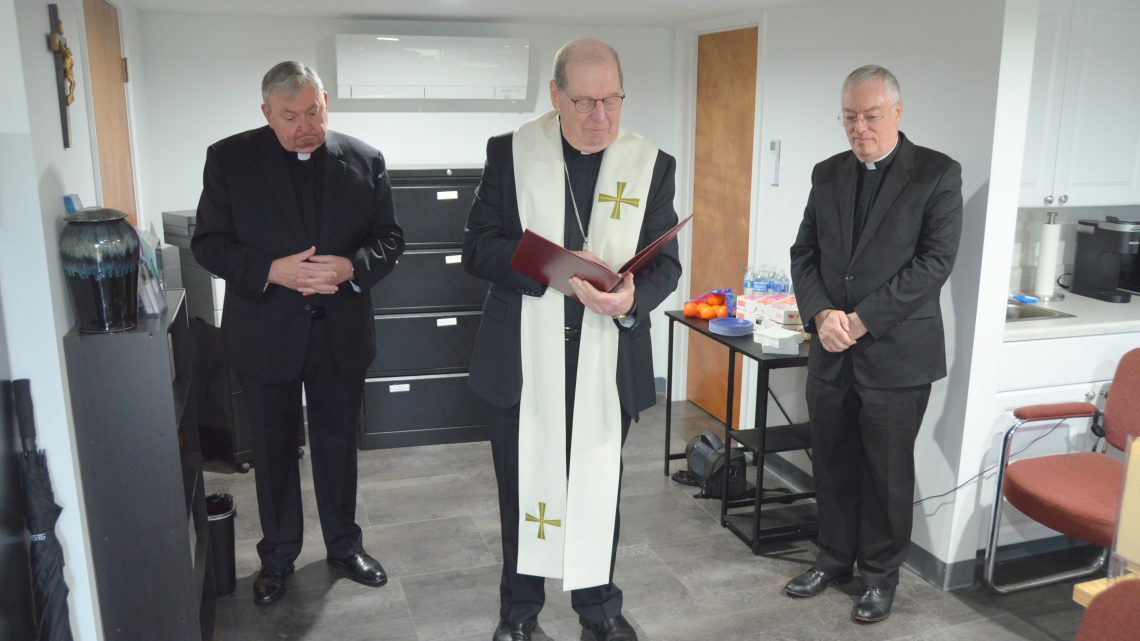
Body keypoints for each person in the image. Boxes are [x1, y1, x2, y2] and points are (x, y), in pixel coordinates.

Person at [463, 39, 681, 641]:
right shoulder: (511, 153)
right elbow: (476, 247)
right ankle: (519, 616)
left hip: (606, 359)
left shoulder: (650, 165)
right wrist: (553, 266)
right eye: (583, 101)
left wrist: (632, 297)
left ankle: (597, 610)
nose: (599, 117)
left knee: (596, 489)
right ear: (555, 95)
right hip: (523, 359)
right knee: (522, 492)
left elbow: (667, 265)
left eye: (611, 99)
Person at [192, 61, 404, 605]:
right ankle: (279, 556)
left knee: (338, 445)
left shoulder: (365, 160)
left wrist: (353, 266)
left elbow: (390, 238)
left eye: (313, 111)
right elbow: (209, 244)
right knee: (274, 448)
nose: (305, 125)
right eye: (290, 117)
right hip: (267, 331)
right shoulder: (229, 159)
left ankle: (344, 547)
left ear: (326, 101)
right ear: (267, 114)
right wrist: (271, 270)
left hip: (340, 332)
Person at [787, 65, 962, 623]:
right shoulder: (827, 173)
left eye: (870, 116)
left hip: (896, 355)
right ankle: (834, 558)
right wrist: (819, 314)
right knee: (833, 460)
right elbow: (804, 253)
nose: (859, 128)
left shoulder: (936, 174)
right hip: (831, 348)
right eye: (849, 117)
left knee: (887, 473)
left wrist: (859, 320)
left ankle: (880, 576)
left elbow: (933, 264)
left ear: (898, 112)